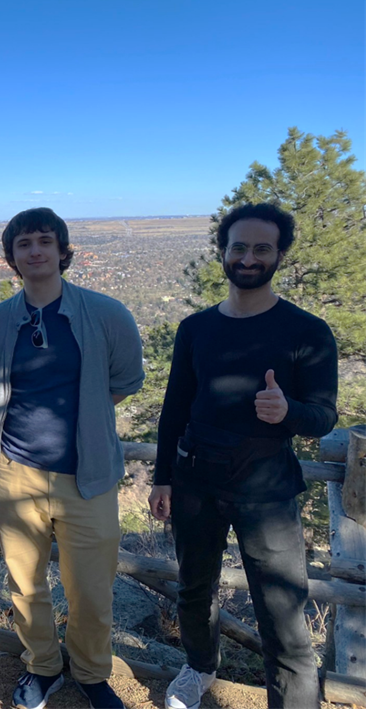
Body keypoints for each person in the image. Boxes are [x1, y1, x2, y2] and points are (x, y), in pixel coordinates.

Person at [149, 203, 338, 709]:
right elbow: (175, 410)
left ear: (279, 254)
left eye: (261, 248)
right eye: (239, 247)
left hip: (268, 491)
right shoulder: (195, 328)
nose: (248, 257)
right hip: (194, 481)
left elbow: (324, 416)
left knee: (282, 612)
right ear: (223, 252)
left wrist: (289, 410)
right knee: (193, 590)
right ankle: (199, 668)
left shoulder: (307, 331)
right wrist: (161, 477)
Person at [0, 208, 144, 709]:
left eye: (44, 242)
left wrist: (87, 419)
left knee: (92, 592)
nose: (34, 251)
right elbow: (1, 385)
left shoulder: (106, 313)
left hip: (88, 476)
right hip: (14, 472)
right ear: (12, 257)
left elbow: (125, 380)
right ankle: (43, 667)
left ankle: (93, 673)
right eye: (24, 244)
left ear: (62, 251)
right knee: (25, 587)